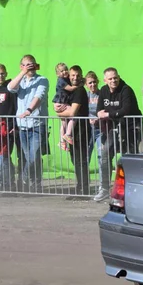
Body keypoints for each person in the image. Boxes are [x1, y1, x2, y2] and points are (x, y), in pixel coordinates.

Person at [96, 67, 143, 200]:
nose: (113, 80)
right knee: (105, 153)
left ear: (119, 77)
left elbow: (126, 110)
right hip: (114, 127)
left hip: (132, 127)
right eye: (110, 79)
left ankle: (132, 189)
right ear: (105, 80)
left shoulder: (126, 89)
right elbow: (99, 110)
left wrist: (108, 114)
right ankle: (104, 188)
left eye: (115, 78)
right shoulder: (104, 91)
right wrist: (103, 114)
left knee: (131, 157)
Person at [6, 54, 49, 193]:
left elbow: (39, 96)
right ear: (21, 66)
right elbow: (10, 88)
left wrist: (29, 110)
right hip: (23, 126)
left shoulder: (42, 80)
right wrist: (23, 73)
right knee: (29, 157)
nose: (30, 66)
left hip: (37, 123)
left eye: (32, 64)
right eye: (26, 64)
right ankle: (35, 184)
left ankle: (24, 178)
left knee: (34, 155)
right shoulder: (21, 81)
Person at [55, 66, 92, 195]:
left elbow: (72, 112)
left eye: (77, 75)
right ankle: (80, 185)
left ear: (81, 75)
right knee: (75, 159)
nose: (75, 78)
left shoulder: (79, 91)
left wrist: (59, 114)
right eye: (72, 75)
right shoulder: (68, 90)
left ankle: (84, 187)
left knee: (80, 160)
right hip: (73, 131)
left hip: (81, 130)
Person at [52, 63, 78, 152]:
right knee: (74, 116)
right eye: (61, 71)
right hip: (61, 102)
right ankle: (68, 134)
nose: (64, 72)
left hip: (63, 101)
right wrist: (78, 86)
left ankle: (62, 141)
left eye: (66, 69)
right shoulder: (61, 81)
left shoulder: (66, 79)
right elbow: (70, 89)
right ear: (57, 74)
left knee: (64, 123)